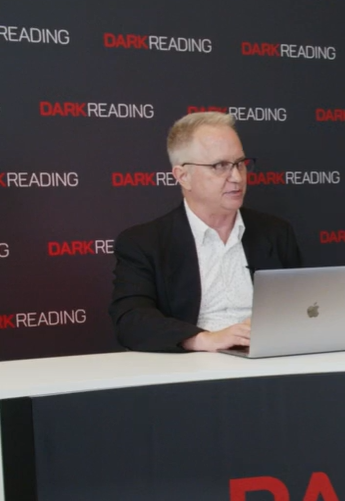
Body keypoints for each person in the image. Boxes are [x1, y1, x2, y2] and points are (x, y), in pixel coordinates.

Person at [110, 112, 303, 352]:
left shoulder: (275, 232)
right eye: (220, 166)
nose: (236, 177)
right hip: (194, 369)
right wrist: (205, 339)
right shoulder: (144, 242)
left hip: (269, 359)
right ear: (183, 177)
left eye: (240, 164)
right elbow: (130, 321)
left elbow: (300, 306)